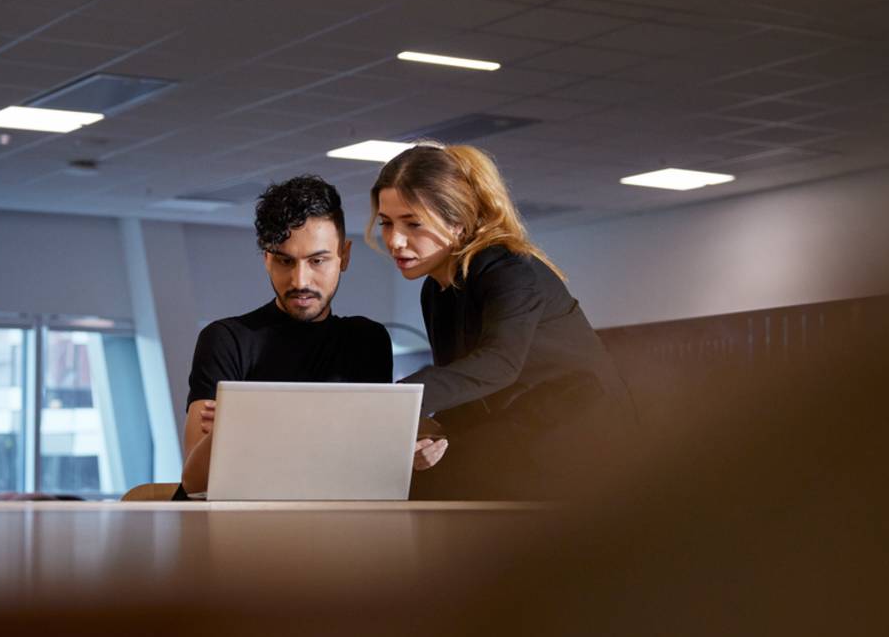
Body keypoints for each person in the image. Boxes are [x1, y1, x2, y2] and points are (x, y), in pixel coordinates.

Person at [370, 143, 630, 499]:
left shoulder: (508, 269)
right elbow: (467, 385)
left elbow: (498, 365)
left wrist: (396, 402)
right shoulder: (435, 290)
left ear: (457, 222)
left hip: (583, 437)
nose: (394, 241)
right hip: (528, 430)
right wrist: (436, 432)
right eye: (386, 223)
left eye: (413, 224)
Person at [180, 175, 392, 496]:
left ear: (344, 256)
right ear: (267, 259)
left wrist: (248, 425)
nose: (300, 280)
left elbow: (369, 467)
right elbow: (195, 483)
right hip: (239, 521)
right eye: (285, 261)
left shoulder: (368, 340)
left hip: (332, 518)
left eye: (317, 261)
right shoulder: (226, 339)